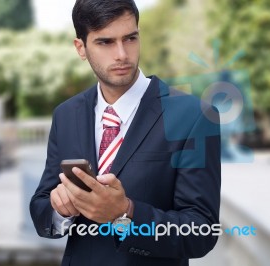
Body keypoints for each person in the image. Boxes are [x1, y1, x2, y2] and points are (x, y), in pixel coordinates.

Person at [30, 0, 221, 265]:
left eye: (130, 38)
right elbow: (42, 209)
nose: (121, 54)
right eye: (105, 42)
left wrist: (125, 213)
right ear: (81, 48)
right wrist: (61, 210)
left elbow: (201, 231)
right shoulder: (66, 115)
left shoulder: (193, 116)